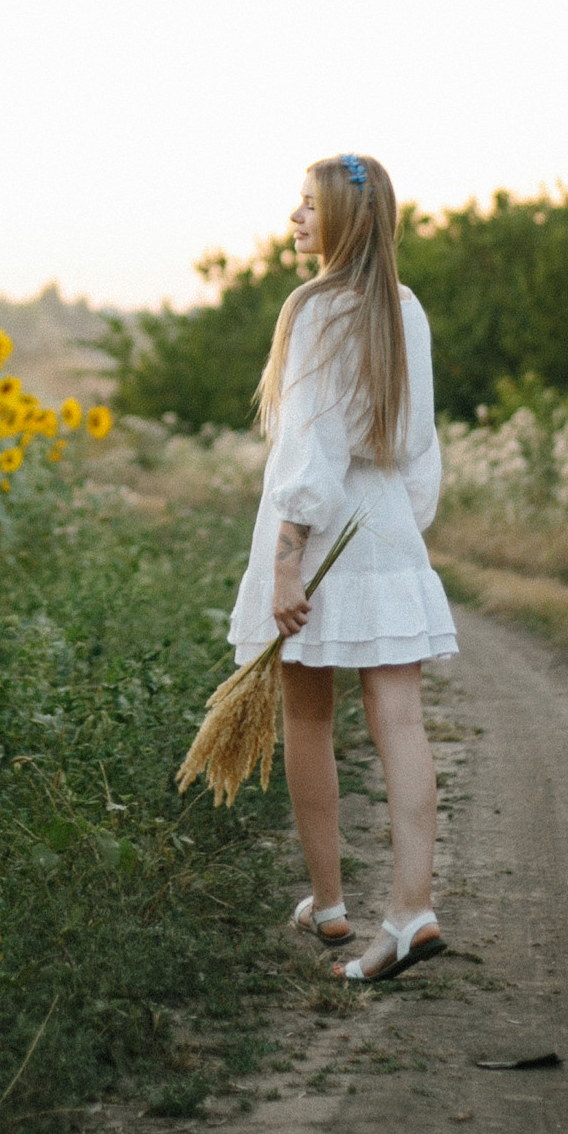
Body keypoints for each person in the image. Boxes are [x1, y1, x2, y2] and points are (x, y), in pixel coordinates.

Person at [226, 152, 458, 983]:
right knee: (401, 721)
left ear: (344, 219)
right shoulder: (405, 308)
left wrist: (287, 562)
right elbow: (419, 446)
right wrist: (400, 526)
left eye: (307, 205)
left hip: (321, 536)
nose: (294, 218)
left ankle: (330, 904)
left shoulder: (315, 308)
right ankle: (411, 908)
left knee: (308, 716)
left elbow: (311, 446)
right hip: (386, 528)